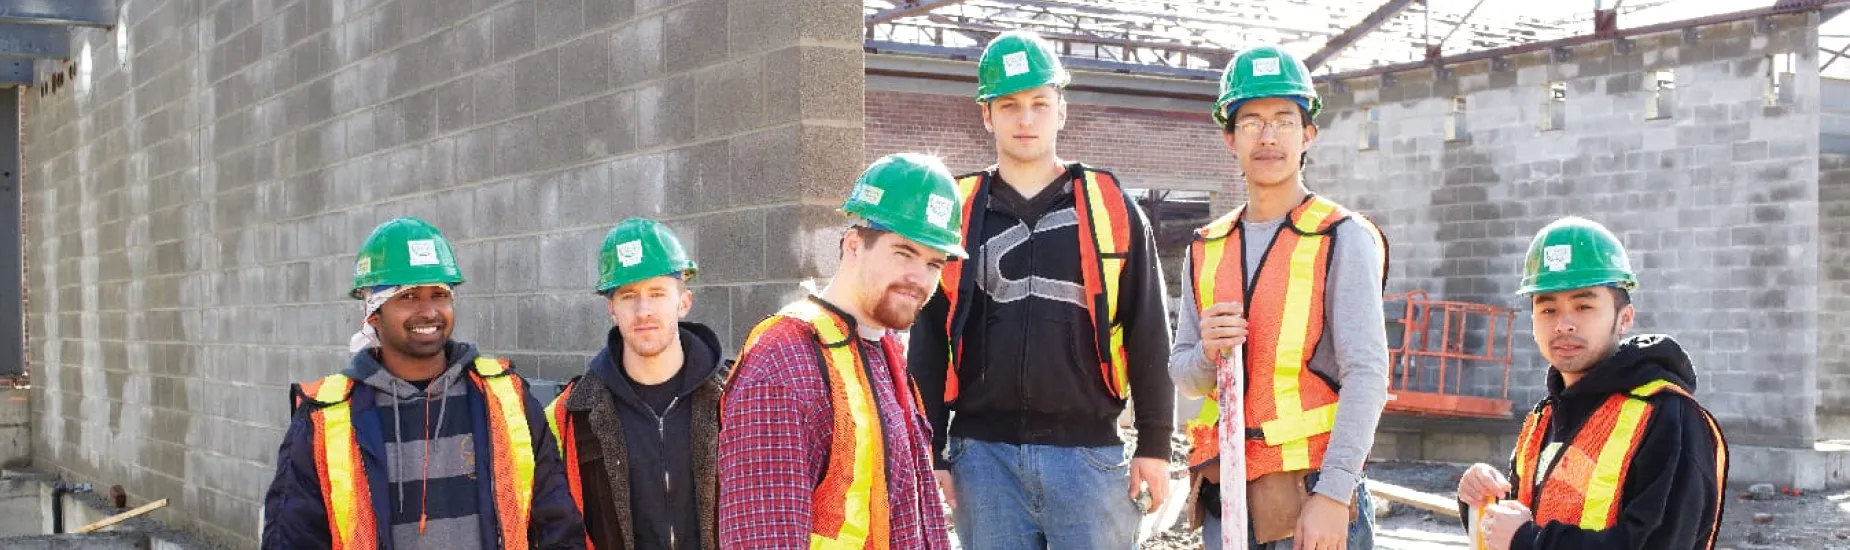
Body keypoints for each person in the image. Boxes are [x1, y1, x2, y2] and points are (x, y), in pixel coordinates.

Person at [907, 29, 1175, 549]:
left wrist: (1157, 445)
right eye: (1008, 105)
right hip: (982, 461)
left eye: (1038, 103)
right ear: (986, 115)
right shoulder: (956, 212)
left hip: (1089, 460)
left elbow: (1148, 331)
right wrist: (931, 449)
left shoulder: (1110, 206)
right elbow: (928, 341)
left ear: (1061, 110)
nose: (1025, 119)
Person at [1168, 45, 1390, 549]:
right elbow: (1183, 373)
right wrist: (1207, 352)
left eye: (1283, 121)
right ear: (1230, 137)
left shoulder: (1341, 236)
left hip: (1312, 493)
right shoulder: (1207, 246)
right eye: (1251, 122)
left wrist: (1334, 494)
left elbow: (1367, 376)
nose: (1268, 136)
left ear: (1308, 134)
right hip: (1227, 497)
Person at [262, 216, 584, 548]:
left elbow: (556, 524)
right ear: (374, 311)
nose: (429, 311)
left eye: (439, 294)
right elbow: (292, 538)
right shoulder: (324, 418)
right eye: (409, 297)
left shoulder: (507, 399)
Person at [717, 153, 960, 549]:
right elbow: (762, 538)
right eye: (904, 252)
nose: (920, 278)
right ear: (853, 245)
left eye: (934, 263)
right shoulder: (784, 361)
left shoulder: (884, 352)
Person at [1456, 216, 1729, 550]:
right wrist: (1483, 501)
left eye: (1583, 306)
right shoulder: (1543, 420)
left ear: (1624, 319)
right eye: (1547, 309)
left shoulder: (1668, 416)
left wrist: (1530, 542)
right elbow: (1522, 523)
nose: (1564, 324)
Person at [545, 218, 725, 549]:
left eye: (657, 293)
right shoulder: (572, 414)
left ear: (683, 302)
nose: (643, 311)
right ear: (611, 308)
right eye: (629, 296)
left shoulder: (733, 399)